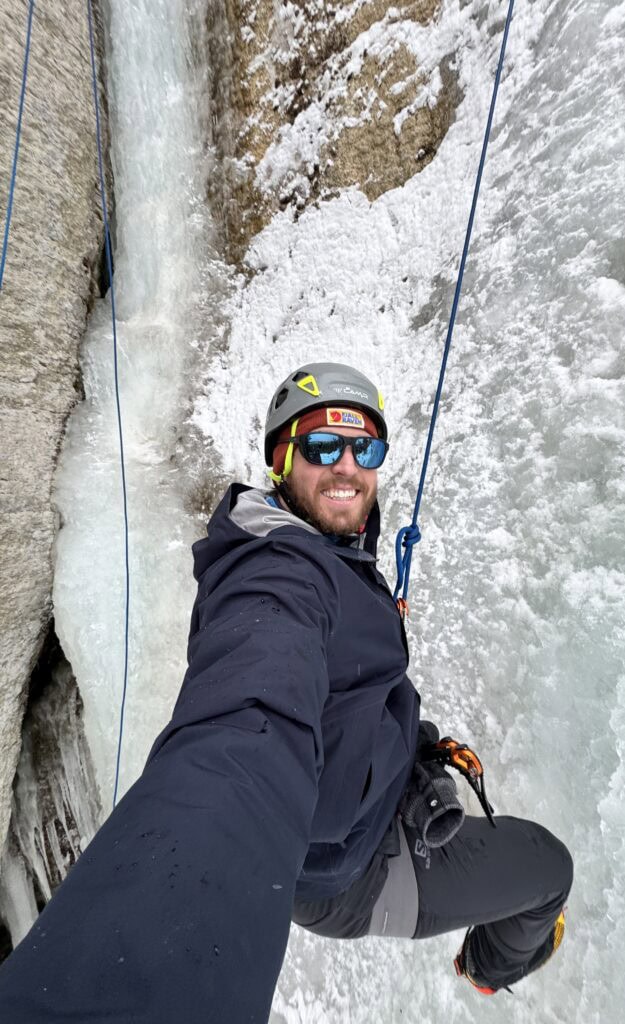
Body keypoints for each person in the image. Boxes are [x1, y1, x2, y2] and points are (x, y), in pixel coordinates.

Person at [0, 362, 573, 1021]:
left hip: (368, 802)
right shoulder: (277, 576)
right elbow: (253, 714)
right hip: (350, 873)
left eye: (366, 449)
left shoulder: (322, 546)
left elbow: (347, 681)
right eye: (322, 447)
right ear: (280, 460)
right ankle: (486, 968)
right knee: (547, 873)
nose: (347, 467)